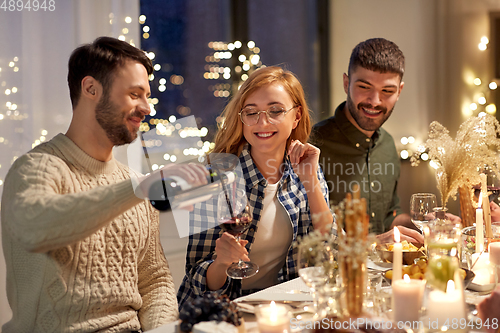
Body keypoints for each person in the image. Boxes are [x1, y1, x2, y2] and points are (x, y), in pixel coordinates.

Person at [1, 36, 208, 333]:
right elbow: (36, 229)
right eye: (135, 94)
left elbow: (156, 281)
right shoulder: (35, 168)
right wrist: (139, 190)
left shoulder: (133, 183)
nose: (147, 107)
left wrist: (161, 330)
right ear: (90, 88)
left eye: (146, 96)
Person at [177, 66, 334, 309]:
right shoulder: (213, 177)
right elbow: (196, 278)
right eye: (251, 113)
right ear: (241, 120)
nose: (262, 122)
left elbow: (331, 246)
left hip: (289, 305)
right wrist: (221, 263)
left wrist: (310, 180)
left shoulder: (306, 166)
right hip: (226, 311)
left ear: (296, 116)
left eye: (275, 111)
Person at [314, 38, 433, 242]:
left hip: (383, 272)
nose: (375, 101)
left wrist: (420, 223)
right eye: (364, 86)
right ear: (346, 83)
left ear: (399, 91)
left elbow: (389, 219)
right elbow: (310, 231)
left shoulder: (387, 144)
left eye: (387, 91)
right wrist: (375, 244)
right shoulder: (313, 144)